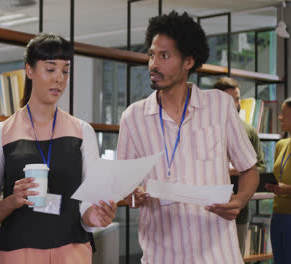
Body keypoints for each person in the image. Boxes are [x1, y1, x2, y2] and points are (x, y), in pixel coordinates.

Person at [118, 11, 259, 263]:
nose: (154, 64)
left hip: (218, 255)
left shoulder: (220, 105)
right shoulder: (133, 117)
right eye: (151, 55)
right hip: (160, 256)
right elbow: (122, 186)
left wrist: (239, 200)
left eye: (164, 56)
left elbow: (249, 168)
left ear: (188, 62)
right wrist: (132, 194)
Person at [0, 33, 117, 264]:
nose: (59, 78)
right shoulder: (1, 134)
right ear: (29, 70)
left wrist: (98, 216)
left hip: (73, 252)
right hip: (19, 253)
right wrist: (12, 200)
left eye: (65, 71)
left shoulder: (82, 132)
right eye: (50, 69)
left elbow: (87, 207)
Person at [213, 77, 266, 254]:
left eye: (237, 99)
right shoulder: (203, 128)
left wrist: (241, 170)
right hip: (207, 209)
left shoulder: (248, 130)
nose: (236, 104)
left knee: (236, 256)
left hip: (239, 210)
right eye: (230, 99)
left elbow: (260, 167)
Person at [265, 98, 291, 264]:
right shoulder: (281, 144)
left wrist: (289, 190)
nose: (279, 117)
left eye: (284, 113)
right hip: (278, 216)